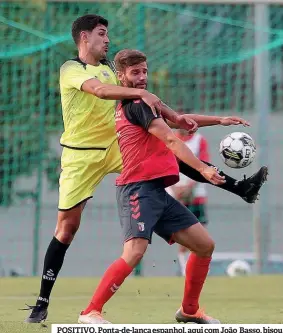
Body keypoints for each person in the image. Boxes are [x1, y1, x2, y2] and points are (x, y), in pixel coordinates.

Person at [24, 15, 267, 324]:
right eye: (101, 34)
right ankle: (44, 301)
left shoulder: (116, 71)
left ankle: (239, 189)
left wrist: (205, 119)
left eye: (144, 73)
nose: (108, 39)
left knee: (168, 161)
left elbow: (168, 120)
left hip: (115, 144)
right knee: (67, 229)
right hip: (80, 156)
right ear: (84, 37)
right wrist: (143, 95)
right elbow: (101, 92)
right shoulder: (72, 69)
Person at [77, 49, 266, 325]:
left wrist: (219, 120)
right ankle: (90, 312)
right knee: (135, 252)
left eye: (144, 71)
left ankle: (189, 311)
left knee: (204, 245)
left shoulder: (146, 101)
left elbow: (180, 120)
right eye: (135, 73)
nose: (142, 77)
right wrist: (203, 168)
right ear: (121, 76)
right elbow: (172, 139)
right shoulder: (136, 104)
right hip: (137, 190)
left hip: (156, 192)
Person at [167, 130, 211, 276]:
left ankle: (196, 269)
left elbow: (205, 165)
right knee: (184, 237)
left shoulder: (199, 140)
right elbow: (163, 166)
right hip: (175, 195)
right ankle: (184, 268)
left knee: (201, 237)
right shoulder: (167, 139)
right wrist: (175, 188)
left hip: (196, 195)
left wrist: (189, 187)